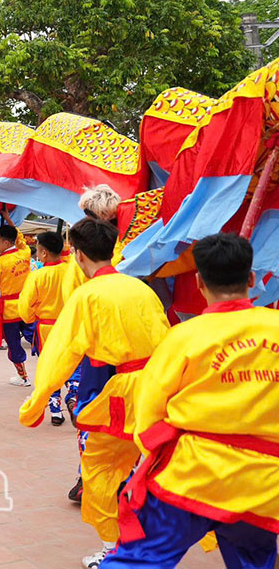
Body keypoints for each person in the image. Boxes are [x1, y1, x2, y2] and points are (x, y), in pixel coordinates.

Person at [103, 233, 279, 568]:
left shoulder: (184, 336)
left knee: (139, 560)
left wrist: (151, 455)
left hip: (193, 474)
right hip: (266, 484)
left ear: (198, 281)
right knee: (254, 561)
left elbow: (148, 413)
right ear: (252, 279)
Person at [18, 218, 169, 569]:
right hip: (151, 392)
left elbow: (61, 353)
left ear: (79, 255)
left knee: (99, 470)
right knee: (141, 465)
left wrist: (38, 401)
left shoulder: (87, 295)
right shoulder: (140, 288)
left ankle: (114, 548)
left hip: (110, 393)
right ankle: (142, 538)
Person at [17, 231, 74, 426]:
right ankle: (74, 396)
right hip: (70, 325)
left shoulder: (37, 276)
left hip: (47, 328)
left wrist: (32, 317)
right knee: (72, 365)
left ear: (43, 254)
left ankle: (56, 410)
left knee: (49, 367)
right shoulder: (72, 271)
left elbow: (25, 309)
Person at [0, 224, 32, 384]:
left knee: (13, 343)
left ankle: (23, 376)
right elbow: (21, 240)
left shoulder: (1, 261)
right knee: (36, 338)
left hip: (9, 309)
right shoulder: (25, 253)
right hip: (28, 305)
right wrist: (9, 222)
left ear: (6, 243)